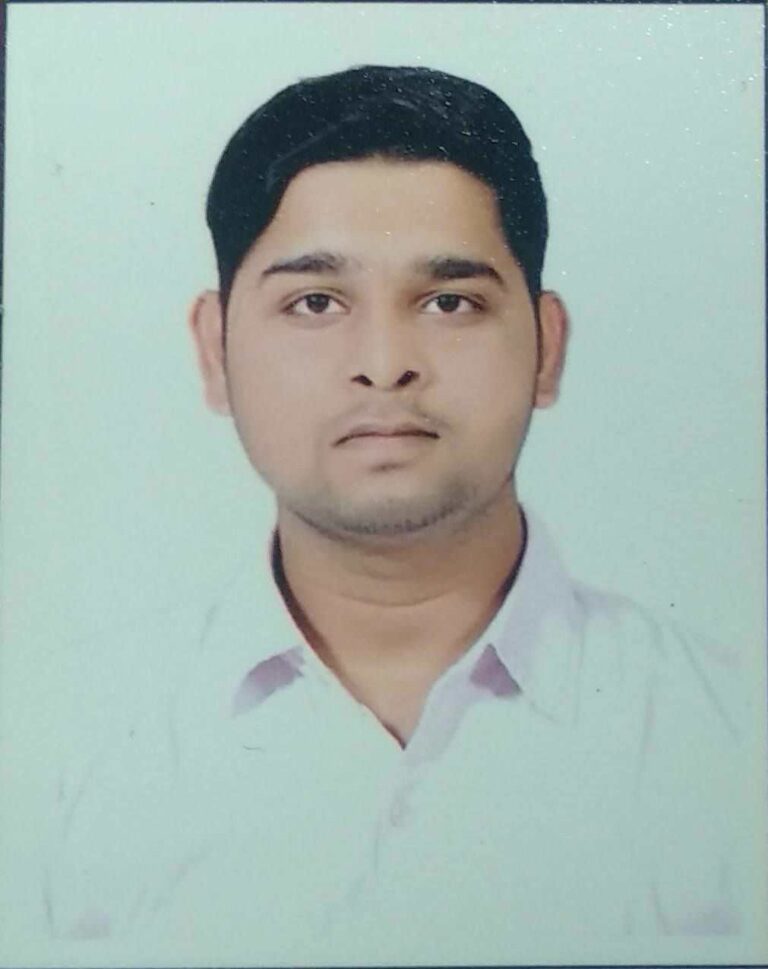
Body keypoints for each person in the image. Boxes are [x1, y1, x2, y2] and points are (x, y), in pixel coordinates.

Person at [44, 65, 747, 963]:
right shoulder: (60, 752)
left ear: (547, 346)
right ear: (215, 351)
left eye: (450, 301)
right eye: (315, 302)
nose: (383, 363)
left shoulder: (731, 739)